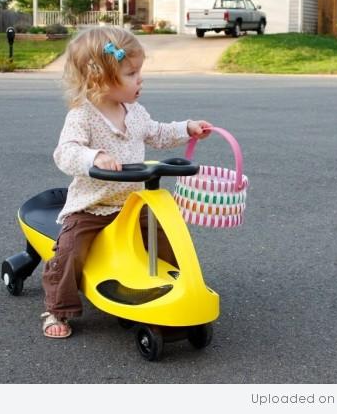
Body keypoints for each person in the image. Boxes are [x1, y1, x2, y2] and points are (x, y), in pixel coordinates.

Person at [41, 27, 211, 338]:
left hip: (132, 203)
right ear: (99, 79)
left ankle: (178, 287)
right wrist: (94, 157)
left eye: (139, 71)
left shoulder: (134, 111)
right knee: (69, 252)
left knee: (166, 237)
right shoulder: (83, 115)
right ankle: (58, 308)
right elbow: (65, 153)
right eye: (131, 73)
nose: (140, 79)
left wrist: (187, 128)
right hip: (93, 206)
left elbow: (156, 132)